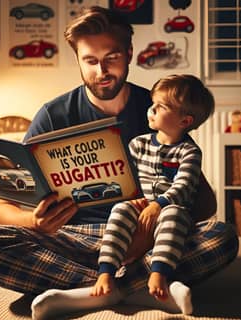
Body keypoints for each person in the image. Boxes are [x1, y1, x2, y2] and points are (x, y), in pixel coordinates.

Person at [0, 6, 239, 320]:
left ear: (129, 53)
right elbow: (2, 209)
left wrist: (154, 223)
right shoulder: (53, 115)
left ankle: (88, 291)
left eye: (111, 58)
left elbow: (205, 204)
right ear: (79, 60)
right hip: (72, 237)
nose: (101, 71)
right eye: (90, 61)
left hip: (144, 236)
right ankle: (135, 286)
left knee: (222, 235)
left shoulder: (159, 109)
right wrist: (36, 223)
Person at [91, 74, 215, 307]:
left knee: (176, 216)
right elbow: (128, 180)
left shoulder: (189, 152)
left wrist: (158, 205)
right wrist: (136, 200)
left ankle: (159, 273)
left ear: (185, 121)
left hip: (170, 209)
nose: (152, 110)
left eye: (161, 107)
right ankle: (106, 272)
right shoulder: (138, 144)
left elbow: (184, 186)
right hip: (143, 206)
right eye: (152, 104)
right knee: (119, 209)